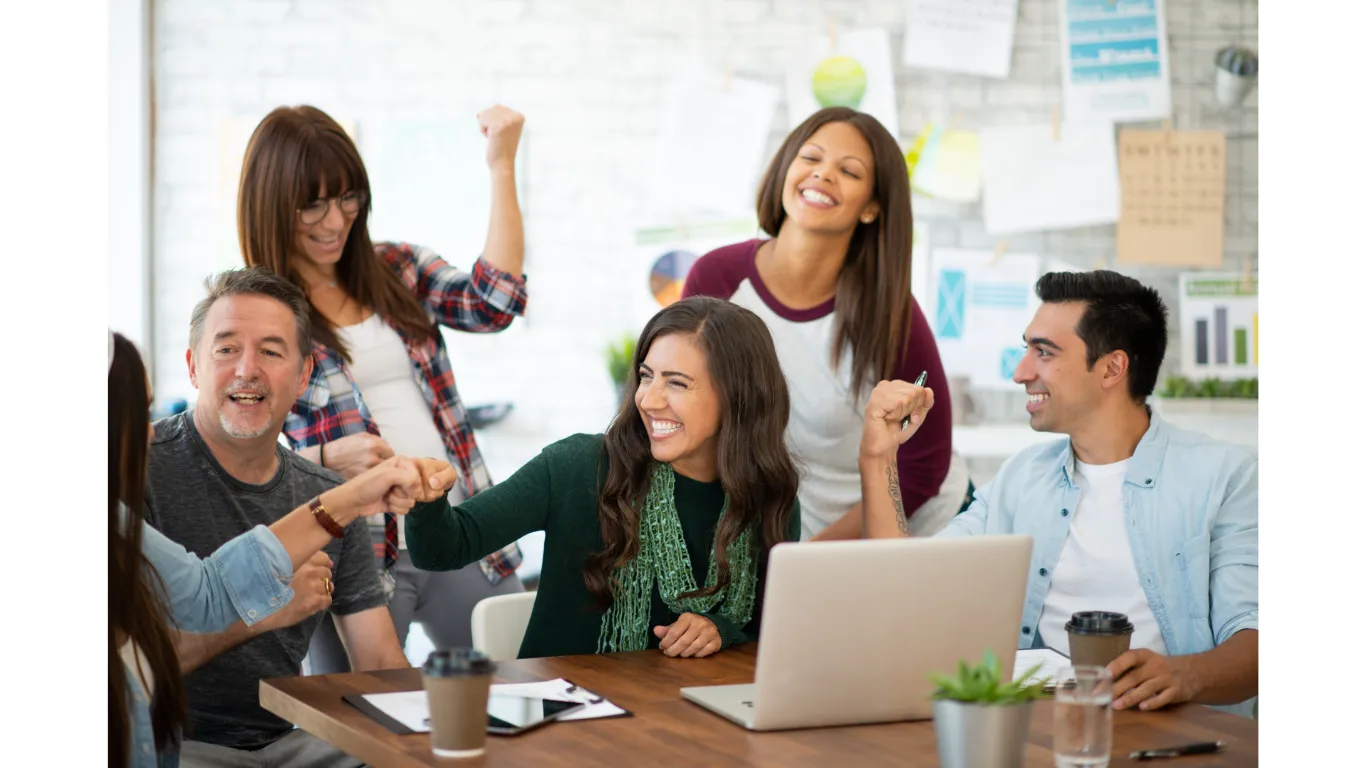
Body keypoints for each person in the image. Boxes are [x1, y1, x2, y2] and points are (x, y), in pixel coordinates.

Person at [402, 296, 937, 659]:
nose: (649, 399)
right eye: (646, 376)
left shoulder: (769, 497)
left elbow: (768, 629)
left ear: (737, 398)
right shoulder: (577, 466)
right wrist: (428, 499)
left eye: (677, 383)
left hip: (682, 725)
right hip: (563, 725)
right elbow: (443, 548)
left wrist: (718, 628)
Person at [861, 271, 1258, 717]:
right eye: (1026, 349)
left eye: (1044, 352)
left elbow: (1256, 638)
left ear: (1112, 368)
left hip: (1178, 736)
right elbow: (907, 588)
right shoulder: (1021, 479)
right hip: (1038, 730)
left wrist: (1182, 675)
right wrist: (879, 456)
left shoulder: (1227, 477)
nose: (1020, 373)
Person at [235, 104, 529, 672]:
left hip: (454, 525)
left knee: (521, 683)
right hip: (352, 552)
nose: (335, 220)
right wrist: (325, 460)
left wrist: (501, 166)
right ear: (272, 204)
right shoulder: (256, 312)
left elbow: (495, 303)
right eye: (313, 204)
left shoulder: (397, 267)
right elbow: (235, 457)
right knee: (359, 716)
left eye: (348, 198)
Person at [109, 331, 427, 768]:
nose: (247, 369)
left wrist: (436, 729)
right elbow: (174, 627)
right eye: (226, 349)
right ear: (194, 366)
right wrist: (267, 608)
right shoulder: (138, 484)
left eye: (271, 352)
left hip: (288, 743)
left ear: (303, 376)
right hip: (185, 749)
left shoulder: (323, 487)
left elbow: (380, 659)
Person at [682, 106, 967, 541]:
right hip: (789, 535)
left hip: (911, 528)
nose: (823, 174)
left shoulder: (890, 312)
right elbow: (690, 411)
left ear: (871, 207)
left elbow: (924, 465)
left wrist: (814, 555)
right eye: (811, 158)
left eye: (849, 171)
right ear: (786, 169)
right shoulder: (716, 280)